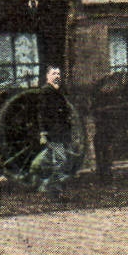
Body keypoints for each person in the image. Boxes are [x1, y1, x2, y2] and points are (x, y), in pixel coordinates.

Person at [30, 66, 75, 197]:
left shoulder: (58, 92)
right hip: (53, 133)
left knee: (48, 159)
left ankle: (40, 183)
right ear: (47, 76)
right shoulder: (46, 92)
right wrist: (43, 132)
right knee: (61, 159)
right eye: (54, 73)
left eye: (59, 73)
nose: (57, 76)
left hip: (61, 132)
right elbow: (42, 114)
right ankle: (54, 189)